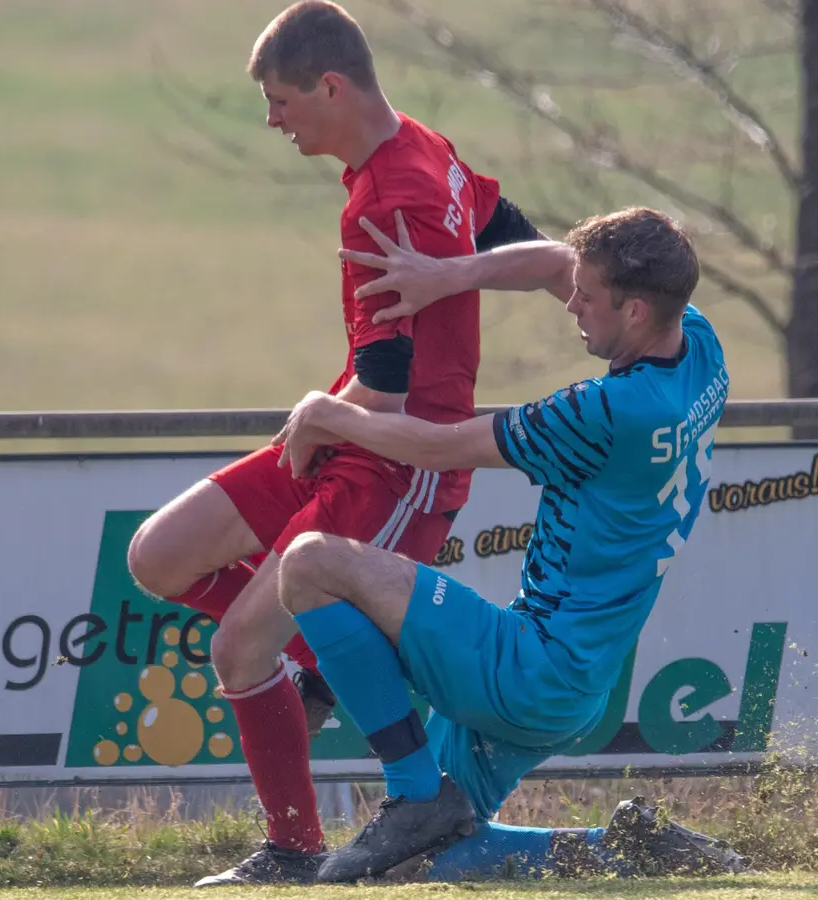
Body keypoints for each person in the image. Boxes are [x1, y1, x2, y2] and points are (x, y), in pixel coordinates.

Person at [122, 0, 542, 887]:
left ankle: (292, 850)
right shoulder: (421, 150)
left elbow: (385, 388)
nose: (272, 120)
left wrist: (319, 409)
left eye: (280, 101)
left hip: (397, 464)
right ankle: (315, 657)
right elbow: (527, 243)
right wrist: (477, 273)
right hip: (347, 435)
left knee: (237, 649)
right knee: (157, 556)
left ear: (332, 86)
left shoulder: (393, 195)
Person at [270, 205, 734, 882]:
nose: (571, 302)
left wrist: (326, 412)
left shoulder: (608, 412)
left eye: (588, 297)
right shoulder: (698, 345)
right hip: (575, 682)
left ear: (634, 311)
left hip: (528, 669)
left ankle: (414, 790)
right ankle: (624, 849)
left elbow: (443, 445)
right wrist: (443, 276)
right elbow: (554, 262)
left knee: (310, 564)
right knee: (413, 869)